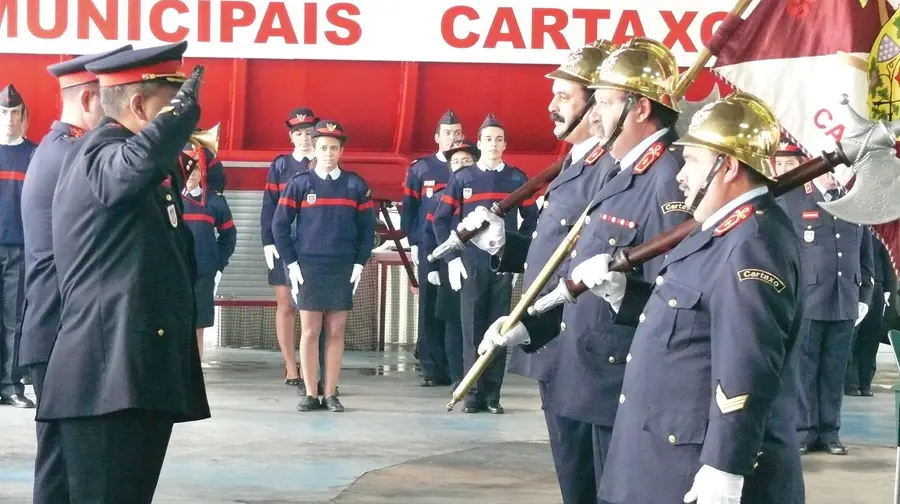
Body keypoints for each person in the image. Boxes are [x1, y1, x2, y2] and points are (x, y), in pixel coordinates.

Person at [493, 91, 805, 503]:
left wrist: (726, 465)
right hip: (658, 458)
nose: (680, 174)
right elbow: (687, 318)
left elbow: (747, 366)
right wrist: (624, 294)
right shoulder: (719, 230)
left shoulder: (752, 243)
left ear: (728, 167)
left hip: (689, 465)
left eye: (692, 161)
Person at [464, 37, 691, 501]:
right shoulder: (618, 168)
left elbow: (677, 294)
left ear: (640, 108)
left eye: (603, 103)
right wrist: (531, 324)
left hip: (615, 373)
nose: (596, 116)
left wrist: (619, 293)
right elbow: (574, 259)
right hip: (575, 356)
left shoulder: (665, 177)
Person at [42, 41, 211, 503]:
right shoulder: (99, 155)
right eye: (166, 103)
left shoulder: (126, 162)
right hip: (106, 381)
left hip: (128, 379)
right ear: (139, 105)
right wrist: (179, 117)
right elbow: (130, 167)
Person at [18, 43, 132, 504]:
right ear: (88, 101)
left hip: (57, 324)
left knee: (63, 460)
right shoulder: (76, 154)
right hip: (61, 326)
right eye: (109, 106)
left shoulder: (59, 149)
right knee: (69, 463)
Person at [432, 113, 539, 414]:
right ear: (479, 144)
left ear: (506, 145)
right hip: (471, 262)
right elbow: (441, 220)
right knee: (472, 328)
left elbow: (532, 219)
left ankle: (493, 394)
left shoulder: (517, 178)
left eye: (499, 140)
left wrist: (518, 254)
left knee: (500, 327)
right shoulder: (462, 178)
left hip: (502, 263)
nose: (494, 144)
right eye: (488, 139)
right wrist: (452, 258)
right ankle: (473, 393)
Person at [777, 137, 874, 455]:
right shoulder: (794, 199)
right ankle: (806, 431)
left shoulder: (853, 202)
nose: (836, 175)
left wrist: (865, 295)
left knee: (835, 369)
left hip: (844, 298)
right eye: (831, 169)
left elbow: (865, 254)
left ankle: (830, 432)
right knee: (804, 369)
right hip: (808, 299)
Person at [272, 120, 376, 413]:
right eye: (323, 147)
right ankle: (309, 392)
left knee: (336, 330)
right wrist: (290, 262)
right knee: (309, 330)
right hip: (308, 266)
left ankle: (330, 394)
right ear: (314, 150)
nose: (329, 153)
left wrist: (358, 262)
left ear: (342, 150)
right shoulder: (300, 184)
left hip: (342, 265)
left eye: (334, 147)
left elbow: (367, 229)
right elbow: (280, 225)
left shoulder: (356, 185)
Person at [260, 106, 327, 393]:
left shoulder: (325, 161)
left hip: (316, 248)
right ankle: (291, 366)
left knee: (316, 309)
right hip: (285, 244)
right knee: (286, 305)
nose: (305, 138)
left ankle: (317, 369)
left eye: (309, 132)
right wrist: (268, 242)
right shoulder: (281, 166)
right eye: (298, 133)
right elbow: (269, 207)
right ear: (291, 136)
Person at [401, 109, 463, 387]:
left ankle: (456, 366)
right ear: (437, 137)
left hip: (460, 248)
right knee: (429, 306)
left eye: (458, 133)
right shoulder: (421, 168)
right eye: (448, 133)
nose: (453, 138)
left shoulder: (467, 166)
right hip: (428, 247)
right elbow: (409, 210)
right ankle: (431, 368)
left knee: (454, 307)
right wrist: (413, 242)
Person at [428, 139, 480, 389]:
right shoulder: (440, 196)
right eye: (455, 161)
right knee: (452, 320)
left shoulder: (481, 191)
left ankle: (477, 376)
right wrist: (432, 267)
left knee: (478, 321)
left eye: (466, 161)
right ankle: (457, 375)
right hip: (451, 264)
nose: (460, 165)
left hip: (480, 262)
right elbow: (430, 233)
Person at [0, 83, 37, 407]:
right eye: (4, 112)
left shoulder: (34, 156)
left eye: (15, 113)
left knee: (14, 319)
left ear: (24, 117)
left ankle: (11, 386)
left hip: (19, 248)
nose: (9, 119)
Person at [181, 151, 237, 358]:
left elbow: (229, 236)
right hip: (174, 272)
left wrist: (218, 265)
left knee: (198, 324)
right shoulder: (167, 200)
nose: (191, 174)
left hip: (203, 273)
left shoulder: (215, 202)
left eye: (196, 168)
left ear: (203, 171)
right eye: (187, 168)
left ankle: (194, 372)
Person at [846, 236, 895, 396]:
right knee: (852, 338)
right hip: (855, 287)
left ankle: (864, 383)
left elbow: (888, 263)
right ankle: (852, 384)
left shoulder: (877, 236)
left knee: (870, 338)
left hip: (876, 288)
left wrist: (888, 289)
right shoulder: (851, 232)